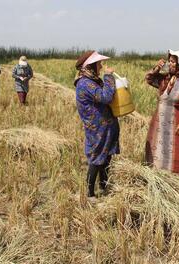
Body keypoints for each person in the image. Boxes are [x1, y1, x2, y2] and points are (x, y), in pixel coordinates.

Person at [145, 49, 179, 179]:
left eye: (172, 62)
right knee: (159, 149)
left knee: (178, 151)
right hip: (160, 125)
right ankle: (158, 176)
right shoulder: (165, 79)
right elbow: (149, 79)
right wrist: (157, 68)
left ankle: (178, 178)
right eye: (169, 61)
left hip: (178, 126)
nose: (169, 64)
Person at [74, 50, 120, 199]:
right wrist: (108, 76)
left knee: (105, 157)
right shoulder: (85, 83)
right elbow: (106, 97)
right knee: (96, 158)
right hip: (97, 128)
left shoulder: (92, 80)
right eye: (99, 64)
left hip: (104, 125)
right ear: (91, 65)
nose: (100, 66)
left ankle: (104, 186)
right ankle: (90, 194)